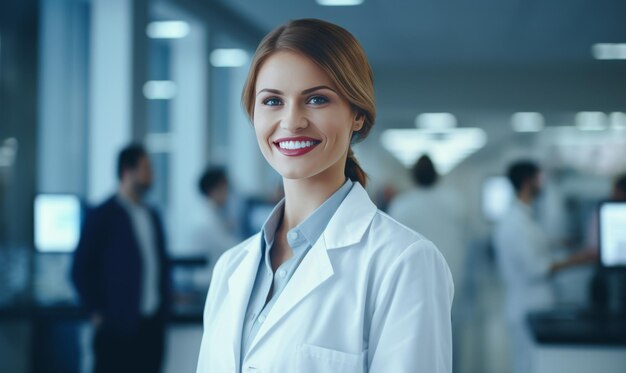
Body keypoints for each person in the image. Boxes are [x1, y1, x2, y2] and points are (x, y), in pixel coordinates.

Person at [196, 19, 454, 373]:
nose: (292, 121)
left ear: (358, 115)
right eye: (272, 101)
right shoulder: (231, 268)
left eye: (316, 99)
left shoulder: (404, 262)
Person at [72, 144, 171, 373]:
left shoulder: (151, 215)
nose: (152, 176)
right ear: (127, 171)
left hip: (151, 327)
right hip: (116, 328)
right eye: (146, 168)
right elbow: (80, 268)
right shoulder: (102, 215)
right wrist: (95, 311)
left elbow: (160, 265)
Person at [493, 160, 594, 373]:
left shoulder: (523, 217)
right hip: (527, 305)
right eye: (539, 179)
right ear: (527, 182)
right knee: (527, 366)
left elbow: (535, 246)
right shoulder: (516, 223)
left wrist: (560, 243)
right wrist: (579, 260)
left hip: (531, 303)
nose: (542, 184)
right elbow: (536, 268)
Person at [388, 155, 468, 298]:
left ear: (413, 178)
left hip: (414, 278)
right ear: (437, 176)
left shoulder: (401, 206)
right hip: (451, 273)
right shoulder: (454, 201)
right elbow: (464, 235)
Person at [189, 166, 238, 278]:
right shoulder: (206, 218)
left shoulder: (213, 212)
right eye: (225, 188)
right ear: (214, 190)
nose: (228, 194)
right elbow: (230, 246)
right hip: (206, 280)